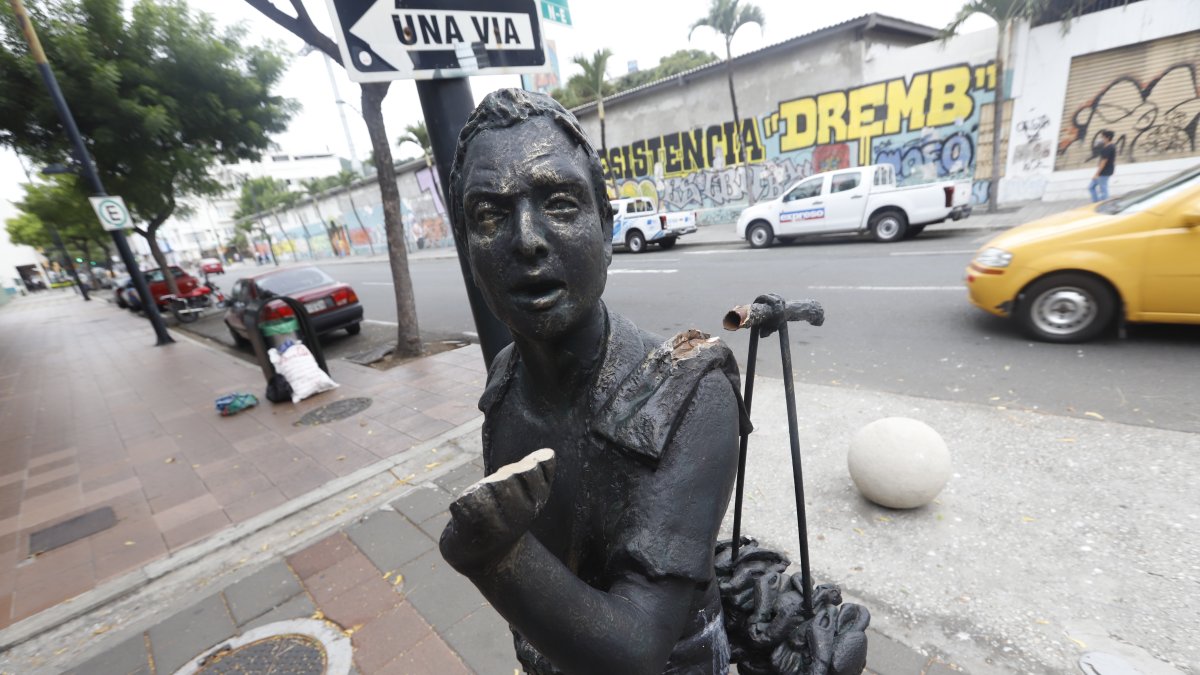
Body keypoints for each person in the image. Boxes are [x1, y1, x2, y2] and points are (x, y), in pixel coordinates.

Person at [438, 89, 749, 674]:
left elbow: (637, 650)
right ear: (468, 251)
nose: (527, 239)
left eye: (559, 204)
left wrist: (494, 555)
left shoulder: (690, 396)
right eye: (489, 215)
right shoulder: (503, 381)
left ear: (606, 229)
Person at [1089, 129, 1116, 202]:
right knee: (1091, 187)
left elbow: (1103, 162)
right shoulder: (1108, 146)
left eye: (1103, 137)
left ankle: (1105, 204)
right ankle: (1096, 202)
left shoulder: (1109, 148)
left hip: (1104, 172)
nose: (1102, 139)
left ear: (1107, 138)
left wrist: (1097, 174)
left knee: (1103, 190)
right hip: (1105, 171)